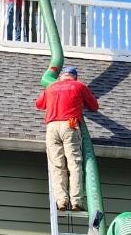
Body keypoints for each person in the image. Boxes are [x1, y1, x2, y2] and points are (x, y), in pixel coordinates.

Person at [35, 66, 99, 211]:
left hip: (51, 127)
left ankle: (61, 201)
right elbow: (94, 106)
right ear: (75, 77)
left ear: (61, 76)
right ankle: (76, 201)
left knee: (57, 165)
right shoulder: (79, 86)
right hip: (69, 125)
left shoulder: (51, 86)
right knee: (74, 164)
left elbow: (39, 104)